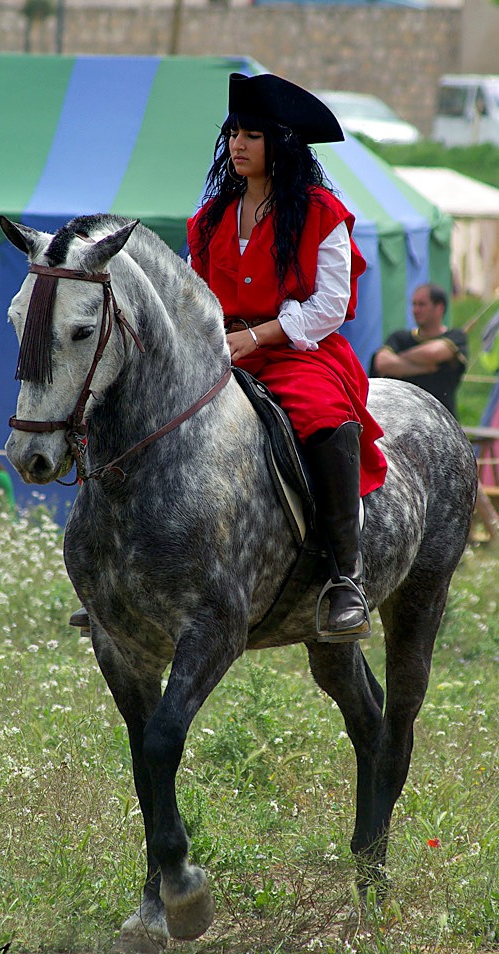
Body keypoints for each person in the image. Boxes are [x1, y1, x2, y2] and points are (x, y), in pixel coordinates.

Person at [186, 72, 388, 642]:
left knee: (325, 418)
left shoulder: (321, 211)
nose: (239, 145)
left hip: (301, 352)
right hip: (222, 350)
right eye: (233, 134)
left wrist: (258, 337)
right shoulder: (208, 220)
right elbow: (194, 294)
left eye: (252, 134)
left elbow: (330, 304)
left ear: (281, 142)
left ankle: (346, 579)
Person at [370, 283, 467, 418]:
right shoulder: (399, 338)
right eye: (413, 304)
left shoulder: (456, 336)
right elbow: (382, 363)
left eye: (421, 304)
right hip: (401, 420)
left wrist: (399, 360)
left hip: (441, 422)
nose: (415, 310)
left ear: (439, 307)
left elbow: (434, 353)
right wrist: (426, 367)